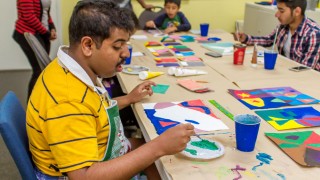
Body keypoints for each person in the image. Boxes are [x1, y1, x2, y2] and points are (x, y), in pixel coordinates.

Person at [26, 1, 195, 179]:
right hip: (84, 173)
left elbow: (93, 109)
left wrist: (128, 98)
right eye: (117, 46)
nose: (126, 53)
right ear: (88, 46)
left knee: (153, 150)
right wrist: (158, 147)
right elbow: (84, 176)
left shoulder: (73, 66)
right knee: (158, 151)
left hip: (97, 151)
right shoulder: (69, 100)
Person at [237, 0, 320, 71]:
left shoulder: (313, 34)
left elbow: (304, 70)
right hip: (287, 73)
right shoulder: (283, 26)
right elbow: (269, 40)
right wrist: (246, 38)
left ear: (297, 11)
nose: (276, 14)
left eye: (282, 11)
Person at [13, 0, 57, 99]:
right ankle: (31, 107)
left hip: (42, 34)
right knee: (38, 71)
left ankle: (39, 103)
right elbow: (29, 17)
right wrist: (47, 34)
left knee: (42, 71)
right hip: (28, 33)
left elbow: (46, 12)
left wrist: (52, 28)